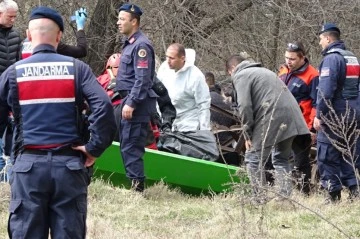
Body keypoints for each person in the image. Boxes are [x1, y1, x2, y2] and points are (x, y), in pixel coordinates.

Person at [0, 6, 116, 238]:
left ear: (29, 35)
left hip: (28, 168)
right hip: (69, 167)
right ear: (60, 36)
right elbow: (104, 106)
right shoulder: (78, 69)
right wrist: (94, 148)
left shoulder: (13, 73)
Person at [226, 54, 309, 200]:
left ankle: (258, 199)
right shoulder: (265, 71)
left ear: (232, 69)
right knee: (281, 158)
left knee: (253, 158)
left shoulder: (241, 75)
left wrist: (247, 134)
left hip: (273, 115)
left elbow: (244, 106)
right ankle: (284, 198)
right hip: (292, 116)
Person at [314, 23, 360, 203]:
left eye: (320, 39)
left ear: (328, 38)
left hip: (335, 115)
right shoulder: (352, 58)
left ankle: (333, 195)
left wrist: (319, 115)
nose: (320, 43)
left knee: (327, 154)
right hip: (353, 114)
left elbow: (325, 91)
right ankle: (355, 190)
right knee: (349, 153)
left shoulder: (332, 59)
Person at [115, 3, 158, 192]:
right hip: (128, 100)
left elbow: (142, 79)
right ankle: (134, 184)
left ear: (134, 21)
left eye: (122, 19)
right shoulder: (131, 43)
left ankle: (137, 189)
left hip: (137, 104)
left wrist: (131, 103)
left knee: (132, 146)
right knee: (126, 144)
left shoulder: (141, 46)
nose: (118, 23)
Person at [278, 41, 319, 194]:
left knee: (301, 161)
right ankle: (280, 190)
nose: (288, 61)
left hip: (302, 125)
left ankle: (304, 192)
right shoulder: (283, 71)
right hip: (281, 123)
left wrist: (312, 128)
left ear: (302, 58)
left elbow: (317, 103)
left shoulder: (312, 75)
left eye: (292, 59)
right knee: (278, 158)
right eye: (287, 58)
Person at [157, 43, 211, 132]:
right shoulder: (164, 69)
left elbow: (203, 104)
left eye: (172, 58)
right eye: (167, 57)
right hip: (167, 122)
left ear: (182, 58)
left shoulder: (196, 76)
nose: (168, 61)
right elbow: (157, 94)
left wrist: (205, 131)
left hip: (189, 124)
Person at [0, 0, 22, 181]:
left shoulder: (16, 36)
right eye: (10, 16)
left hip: (9, 92)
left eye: (15, 16)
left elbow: (18, 63)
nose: (13, 20)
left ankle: (6, 175)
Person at [22, 7, 88, 59]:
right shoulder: (53, 44)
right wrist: (80, 27)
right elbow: (81, 51)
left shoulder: (23, 45)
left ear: (28, 34)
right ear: (59, 35)